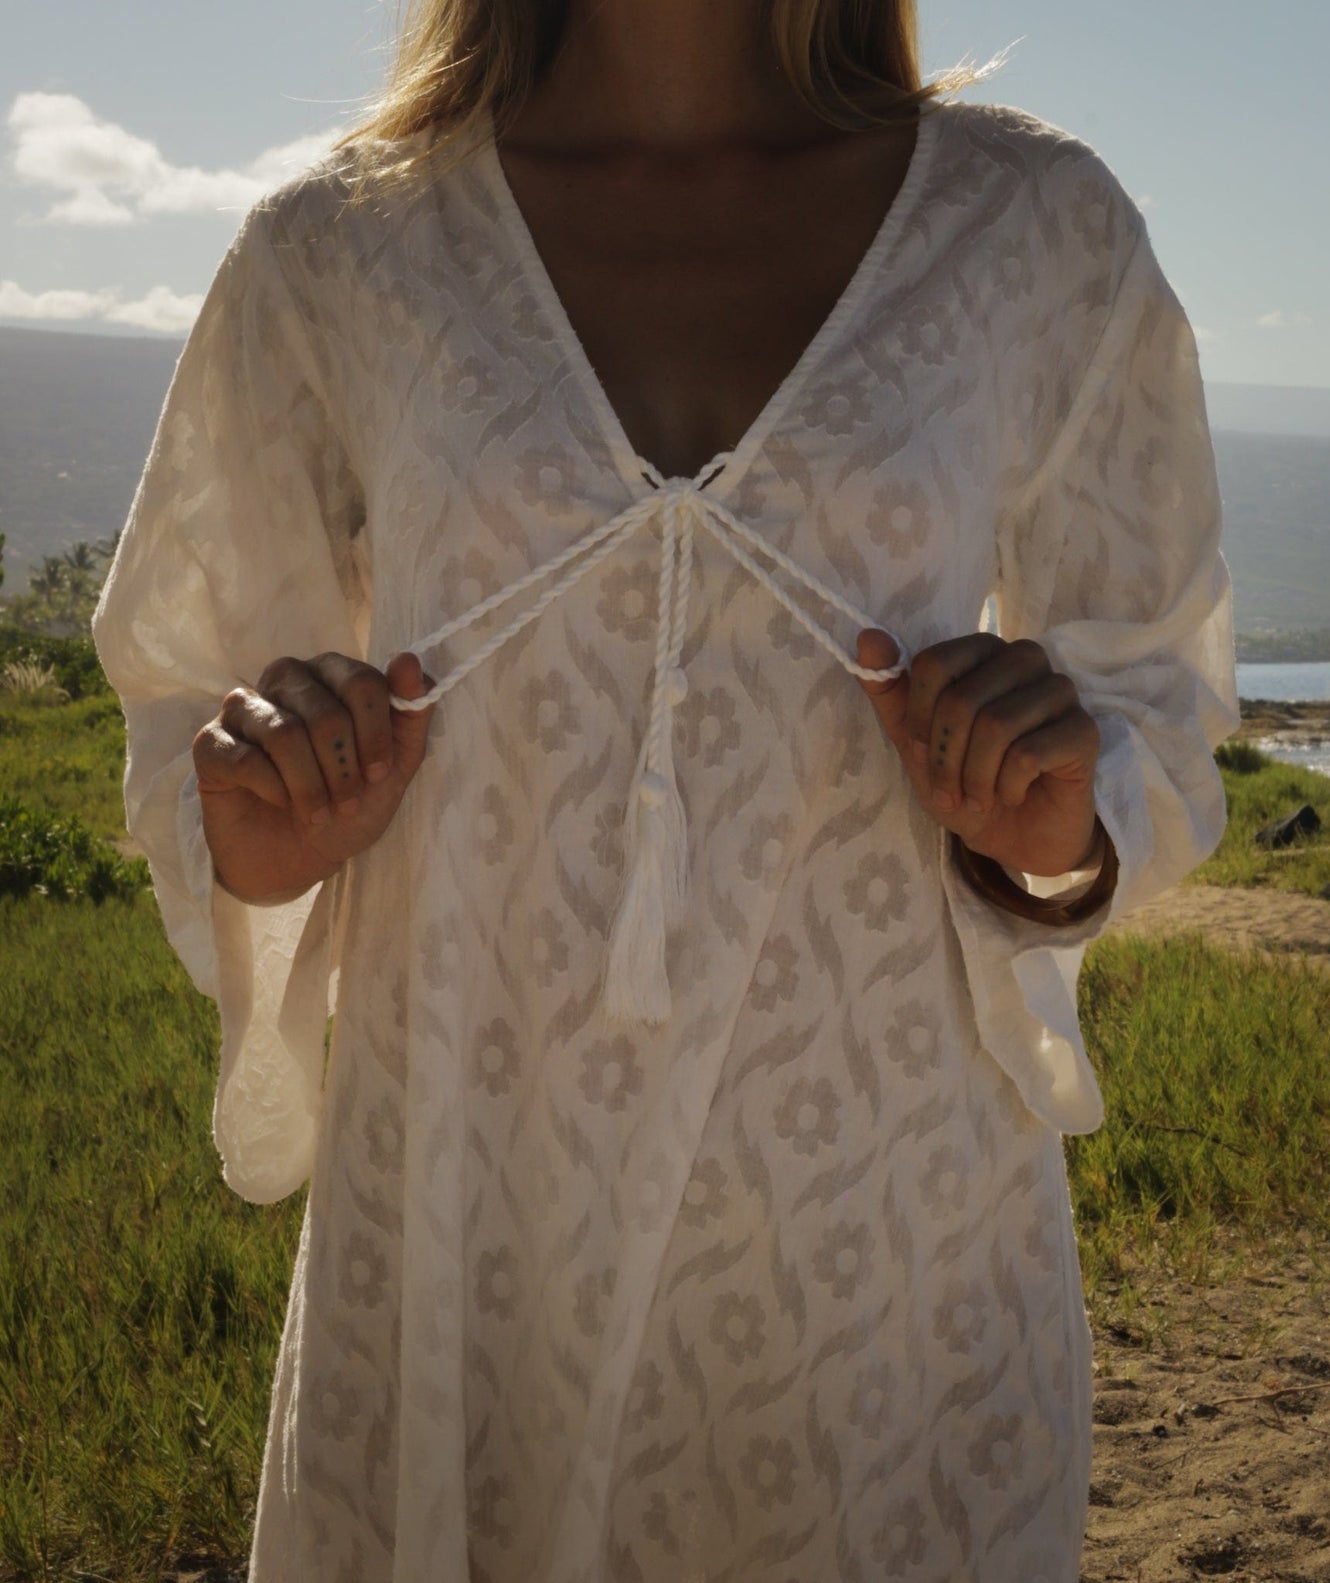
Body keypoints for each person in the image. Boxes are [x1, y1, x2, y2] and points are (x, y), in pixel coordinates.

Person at [90, 0, 1239, 1577]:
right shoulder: (340, 251)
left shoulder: (1033, 230)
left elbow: (1157, 689)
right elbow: (186, 696)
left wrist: (1058, 818)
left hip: (894, 1245)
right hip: (469, 1230)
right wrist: (260, 829)